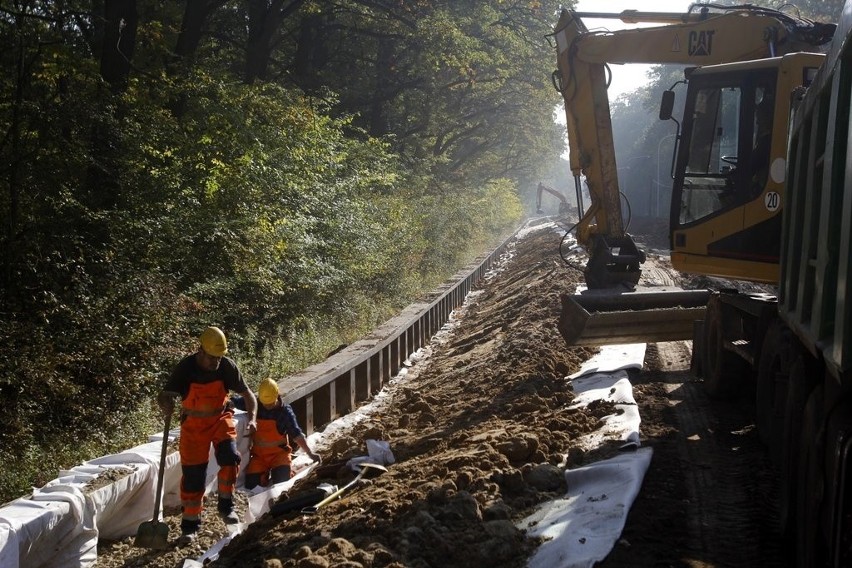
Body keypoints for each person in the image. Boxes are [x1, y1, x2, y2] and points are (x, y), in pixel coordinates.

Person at [157, 326, 258, 546]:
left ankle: (226, 505)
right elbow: (164, 395)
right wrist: (166, 404)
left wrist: (252, 418)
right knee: (193, 477)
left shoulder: (227, 366)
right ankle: (190, 527)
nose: (216, 363)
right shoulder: (186, 368)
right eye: (212, 358)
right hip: (193, 425)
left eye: (219, 358)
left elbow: (248, 394)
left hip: (220, 419)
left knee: (230, 458)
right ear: (201, 351)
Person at [233, 378, 321, 489]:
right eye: (265, 403)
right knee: (251, 485)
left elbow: (297, 434)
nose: (267, 406)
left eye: (270, 404)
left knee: (281, 483)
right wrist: (229, 403)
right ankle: (263, 476)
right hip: (259, 456)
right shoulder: (256, 403)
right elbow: (237, 401)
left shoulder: (285, 413)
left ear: (277, 396)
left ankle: (287, 471)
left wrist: (310, 453)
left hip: (279, 455)